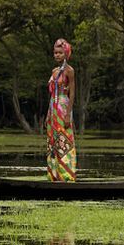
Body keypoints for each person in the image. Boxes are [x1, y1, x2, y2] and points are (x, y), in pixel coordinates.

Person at [46, 38, 77, 182]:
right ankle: (53, 174)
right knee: (53, 142)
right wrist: (48, 115)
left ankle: (66, 175)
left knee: (64, 140)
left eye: (60, 53)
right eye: (55, 53)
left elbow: (72, 94)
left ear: (66, 54)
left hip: (64, 107)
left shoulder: (69, 71)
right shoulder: (54, 71)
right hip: (53, 108)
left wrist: (68, 115)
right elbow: (52, 95)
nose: (57, 55)